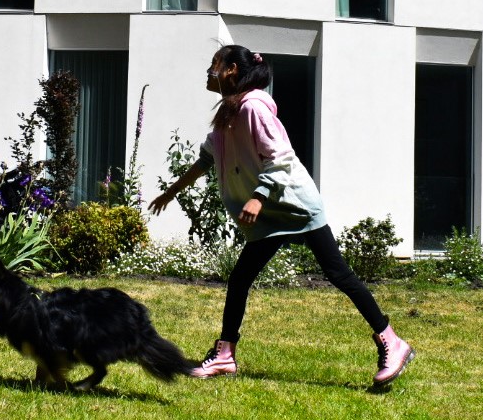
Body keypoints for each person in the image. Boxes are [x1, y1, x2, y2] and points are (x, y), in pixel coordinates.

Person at [147, 44, 415, 386]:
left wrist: (258, 197)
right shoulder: (229, 114)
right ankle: (225, 355)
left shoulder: (253, 108)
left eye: (214, 63)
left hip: (294, 206)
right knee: (240, 278)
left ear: (231, 70)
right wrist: (171, 192)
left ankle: (391, 341)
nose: (209, 71)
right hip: (268, 215)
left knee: (339, 274)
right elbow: (205, 160)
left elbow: (280, 156)